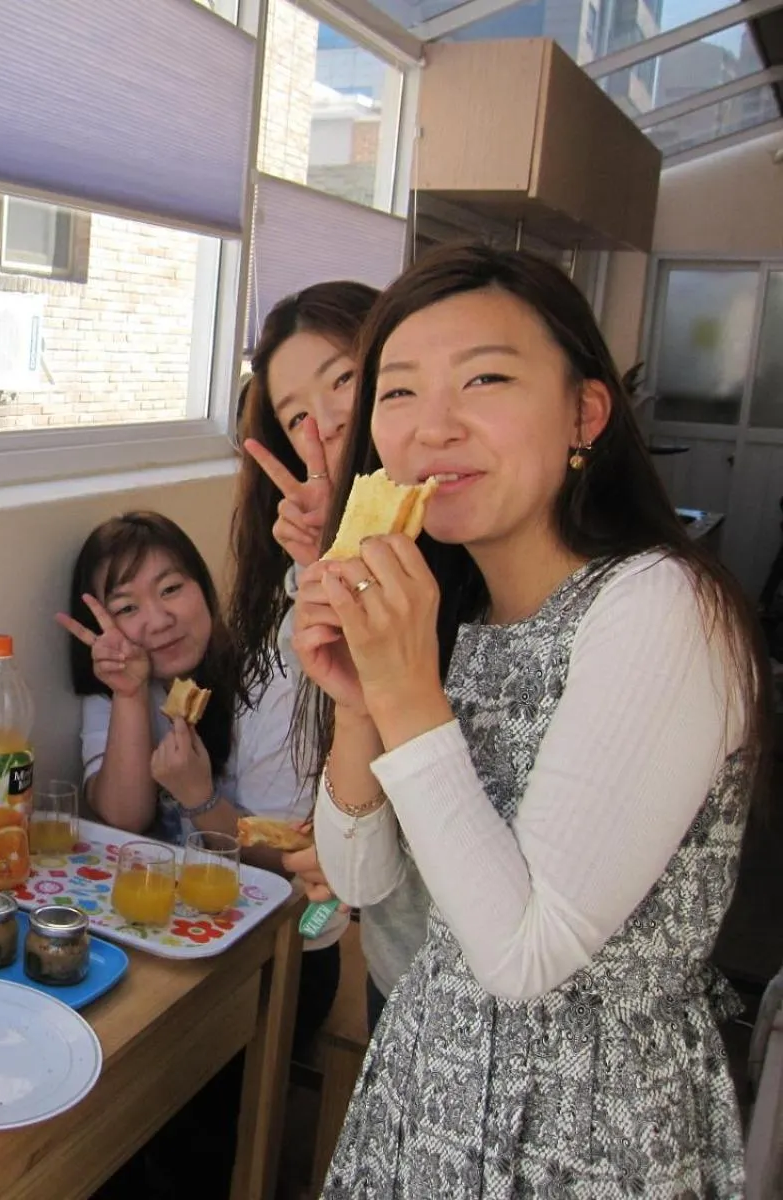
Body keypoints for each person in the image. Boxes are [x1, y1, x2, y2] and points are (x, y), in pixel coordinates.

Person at [294, 245, 765, 1195]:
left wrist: (408, 695)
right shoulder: (457, 617)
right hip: (430, 1089)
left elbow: (525, 953)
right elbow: (358, 877)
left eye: (486, 379)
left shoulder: (659, 609)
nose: (433, 428)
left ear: (585, 413)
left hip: (579, 1125)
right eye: (398, 392)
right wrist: (359, 703)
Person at [58, 511, 318, 1200]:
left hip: (283, 943)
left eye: (172, 589)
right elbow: (124, 817)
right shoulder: (120, 683)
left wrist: (203, 799)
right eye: (127, 607)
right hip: (159, 936)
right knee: (91, 1086)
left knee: (178, 1119)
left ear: (204, 589)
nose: (156, 620)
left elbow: (292, 867)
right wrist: (124, 697)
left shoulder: (271, 680)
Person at [232, 280, 429, 1032]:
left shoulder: (474, 544)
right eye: (298, 415)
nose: (333, 417)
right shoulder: (311, 582)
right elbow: (354, 735)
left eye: (345, 378)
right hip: (400, 961)